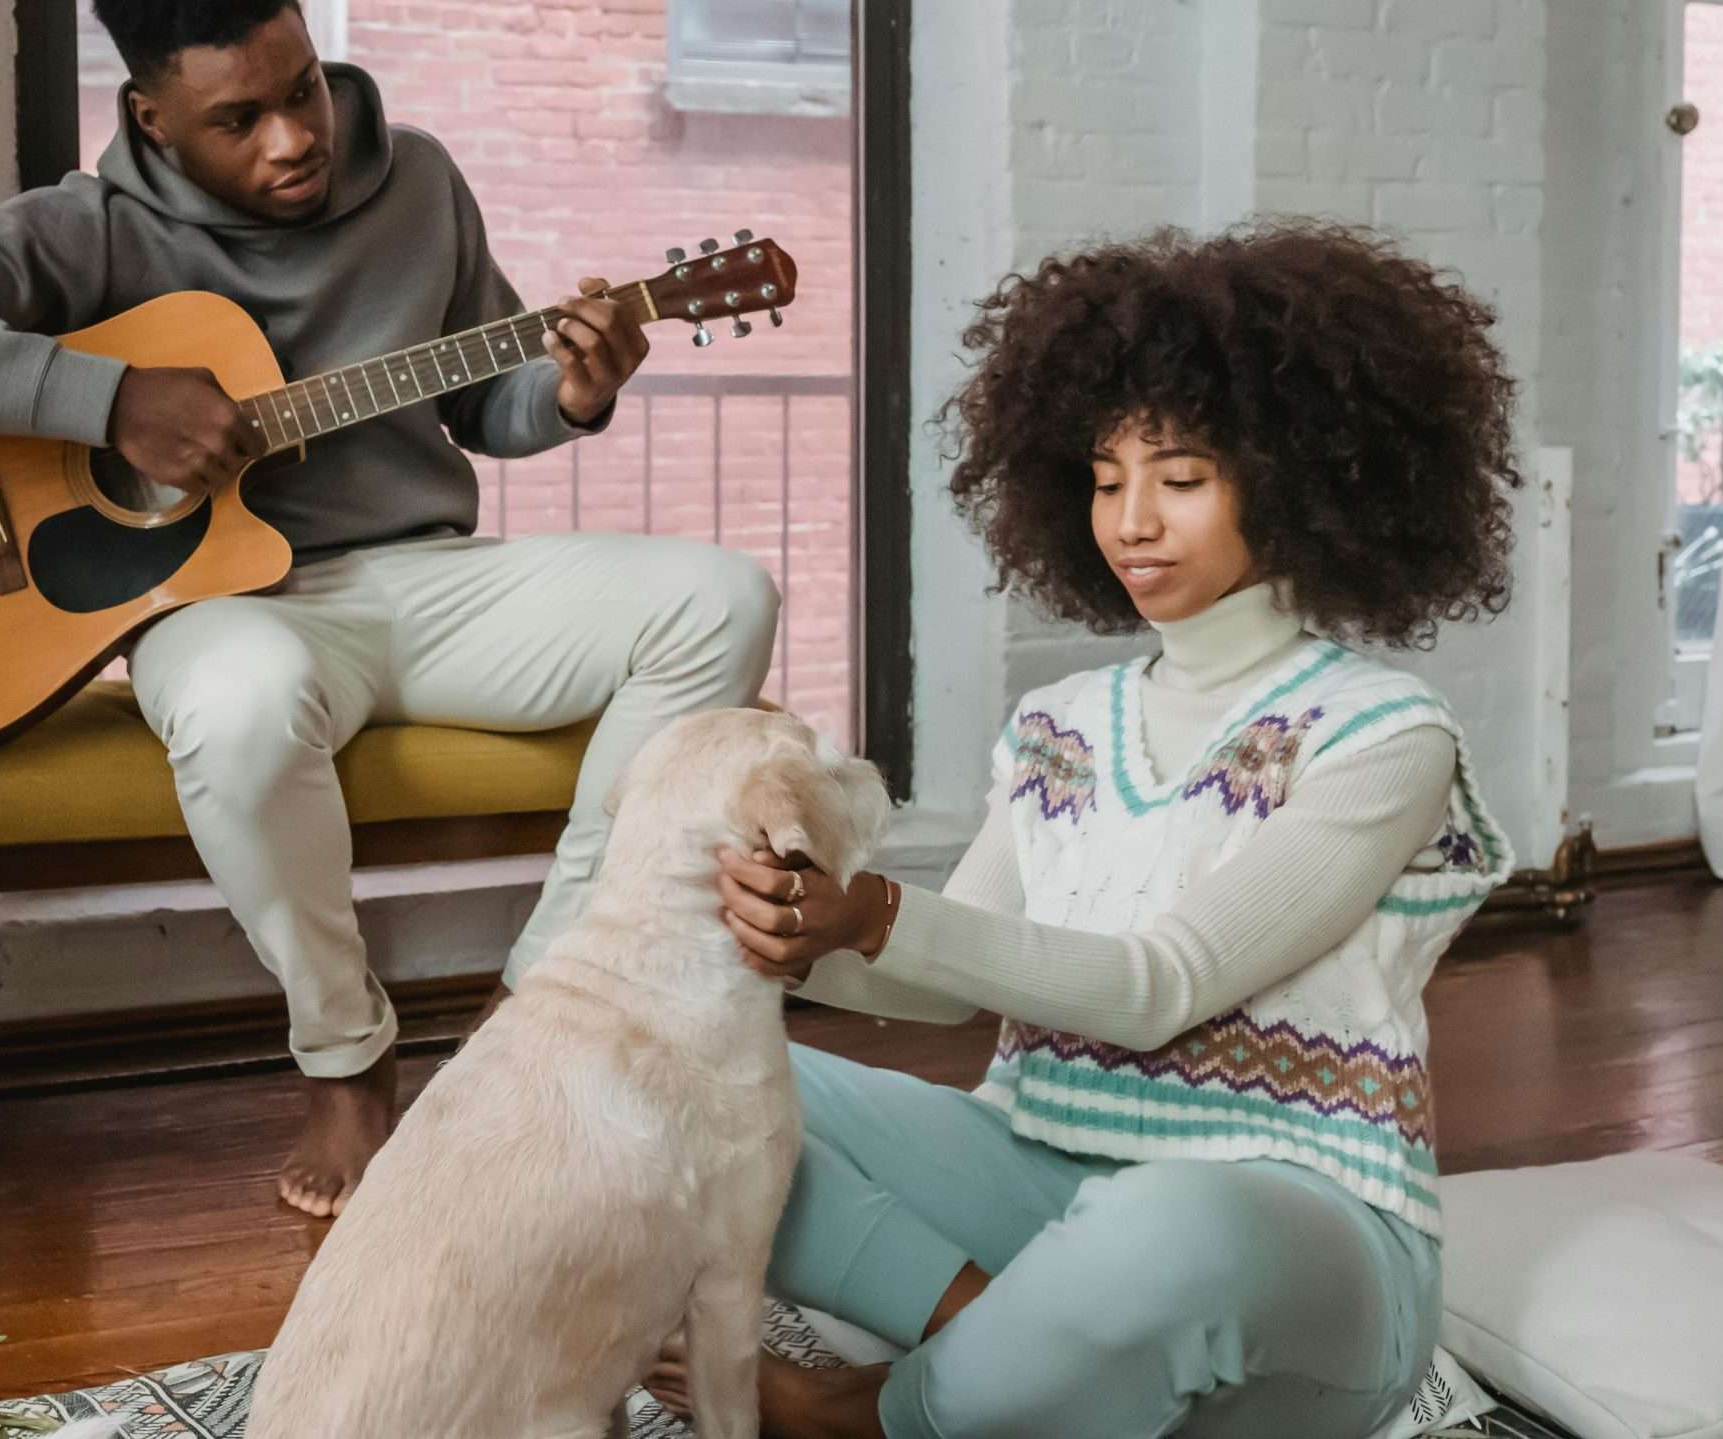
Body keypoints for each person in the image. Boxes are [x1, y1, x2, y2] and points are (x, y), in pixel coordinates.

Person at [0, 0, 778, 1218]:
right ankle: (346, 1057)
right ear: (153, 117)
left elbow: (484, 406)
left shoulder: (421, 185)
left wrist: (565, 389)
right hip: (225, 611)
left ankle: (542, 1002)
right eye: (237, 120)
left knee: (721, 598)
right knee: (243, 701)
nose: (293, 138)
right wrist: (105, 402)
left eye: (299, 90)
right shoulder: (90, 231)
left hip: (421, 582)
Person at [651, 220, 1524, 1437]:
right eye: (1106, 479)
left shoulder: (1382, 733)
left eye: (1180, 477)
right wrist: (797, 927)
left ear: (1296, 477)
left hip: (1296, 1229)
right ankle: (984, 1329)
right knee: (672, 1070)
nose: (1130, 521)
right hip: (1042, 1180)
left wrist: (878, 912)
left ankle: (876, 1413)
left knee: (1166, 1222)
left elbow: (1160, 984)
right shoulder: (1063, 721)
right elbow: (939, 992)